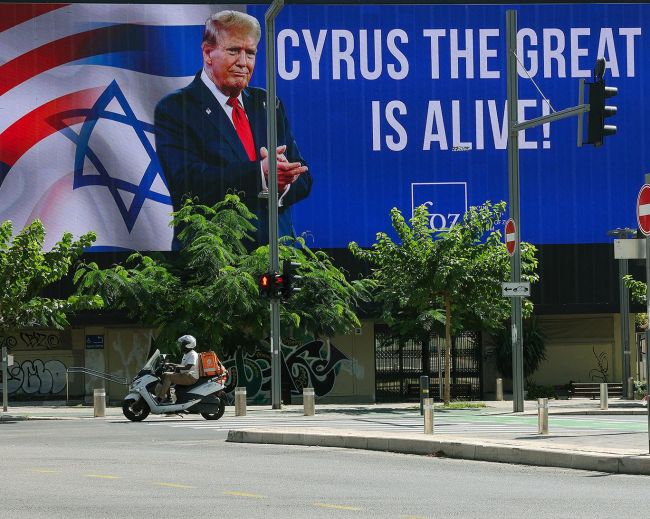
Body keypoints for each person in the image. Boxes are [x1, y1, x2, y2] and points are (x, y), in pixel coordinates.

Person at [154, 10, 312, 245]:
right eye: (234, 51)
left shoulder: (268, 104)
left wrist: (282, 181)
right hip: (213, 256)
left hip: (276, 255)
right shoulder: (176, 108)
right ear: (208, 53)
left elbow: (304, 178)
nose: (243, 62)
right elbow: (188, 184)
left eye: (250, 53)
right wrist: (261, 174)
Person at [156, 335, 200, 403]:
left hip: (191, 377)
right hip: (186, 375)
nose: (180, 346)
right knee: (164, 375)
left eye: (182, 344)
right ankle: (169, 398)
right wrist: (170, 364)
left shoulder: (193, 354)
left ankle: (160, 398)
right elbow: (182, 366)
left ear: (188, 345)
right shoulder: (186, 354)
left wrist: (175, 366)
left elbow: (188, 367)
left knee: (168, 377)